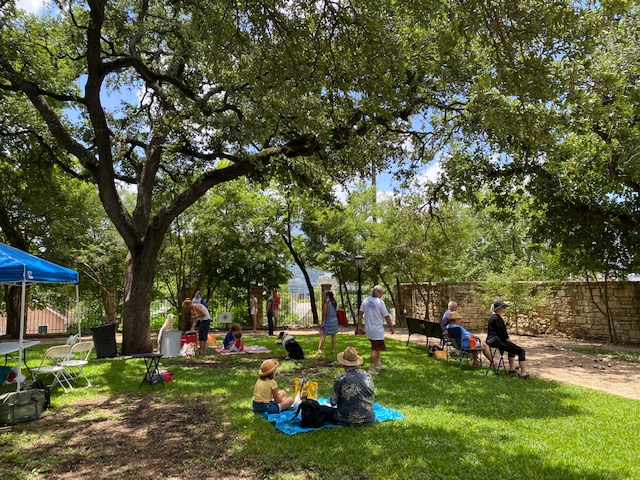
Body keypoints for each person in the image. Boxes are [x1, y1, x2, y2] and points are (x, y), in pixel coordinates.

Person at [328, 346, 375, 426]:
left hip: (347, 420)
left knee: (322, 410)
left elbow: (333, 402)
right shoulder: (367, 375)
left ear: (343, 363)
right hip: (368, 418)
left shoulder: (342, 378)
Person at [486, 300, 530, 379]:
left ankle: (512, 369)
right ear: (500, 309)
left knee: (511, 350)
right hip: (498, 341)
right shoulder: (498, 319)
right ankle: (523, 374)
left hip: (491, 340)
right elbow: (504, 334)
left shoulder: (492, 317)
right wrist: (511, 343)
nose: (504, 309)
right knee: (521, 351)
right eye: (504, 308)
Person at [357, 285, 395, 374]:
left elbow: (360, 314)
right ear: (379, 292)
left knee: (377, 347)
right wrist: (391, 327)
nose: (382, 295)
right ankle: (371, 369)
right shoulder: (380, 302)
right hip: (377, 330)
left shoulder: (366, 300)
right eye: (382, 293)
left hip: (369, 329)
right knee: (375, 348)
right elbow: (386, 316)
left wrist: (360, 326)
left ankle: (378, 365)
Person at [317, 291, 339, 355]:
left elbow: (324, 313)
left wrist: (323, 322)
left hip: (328, 320)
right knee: (333, 335)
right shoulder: (334, 303)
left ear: (327, 296)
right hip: (335, 320)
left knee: (323, 335)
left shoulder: (326, 303)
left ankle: (319, 349)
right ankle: (333, 349)